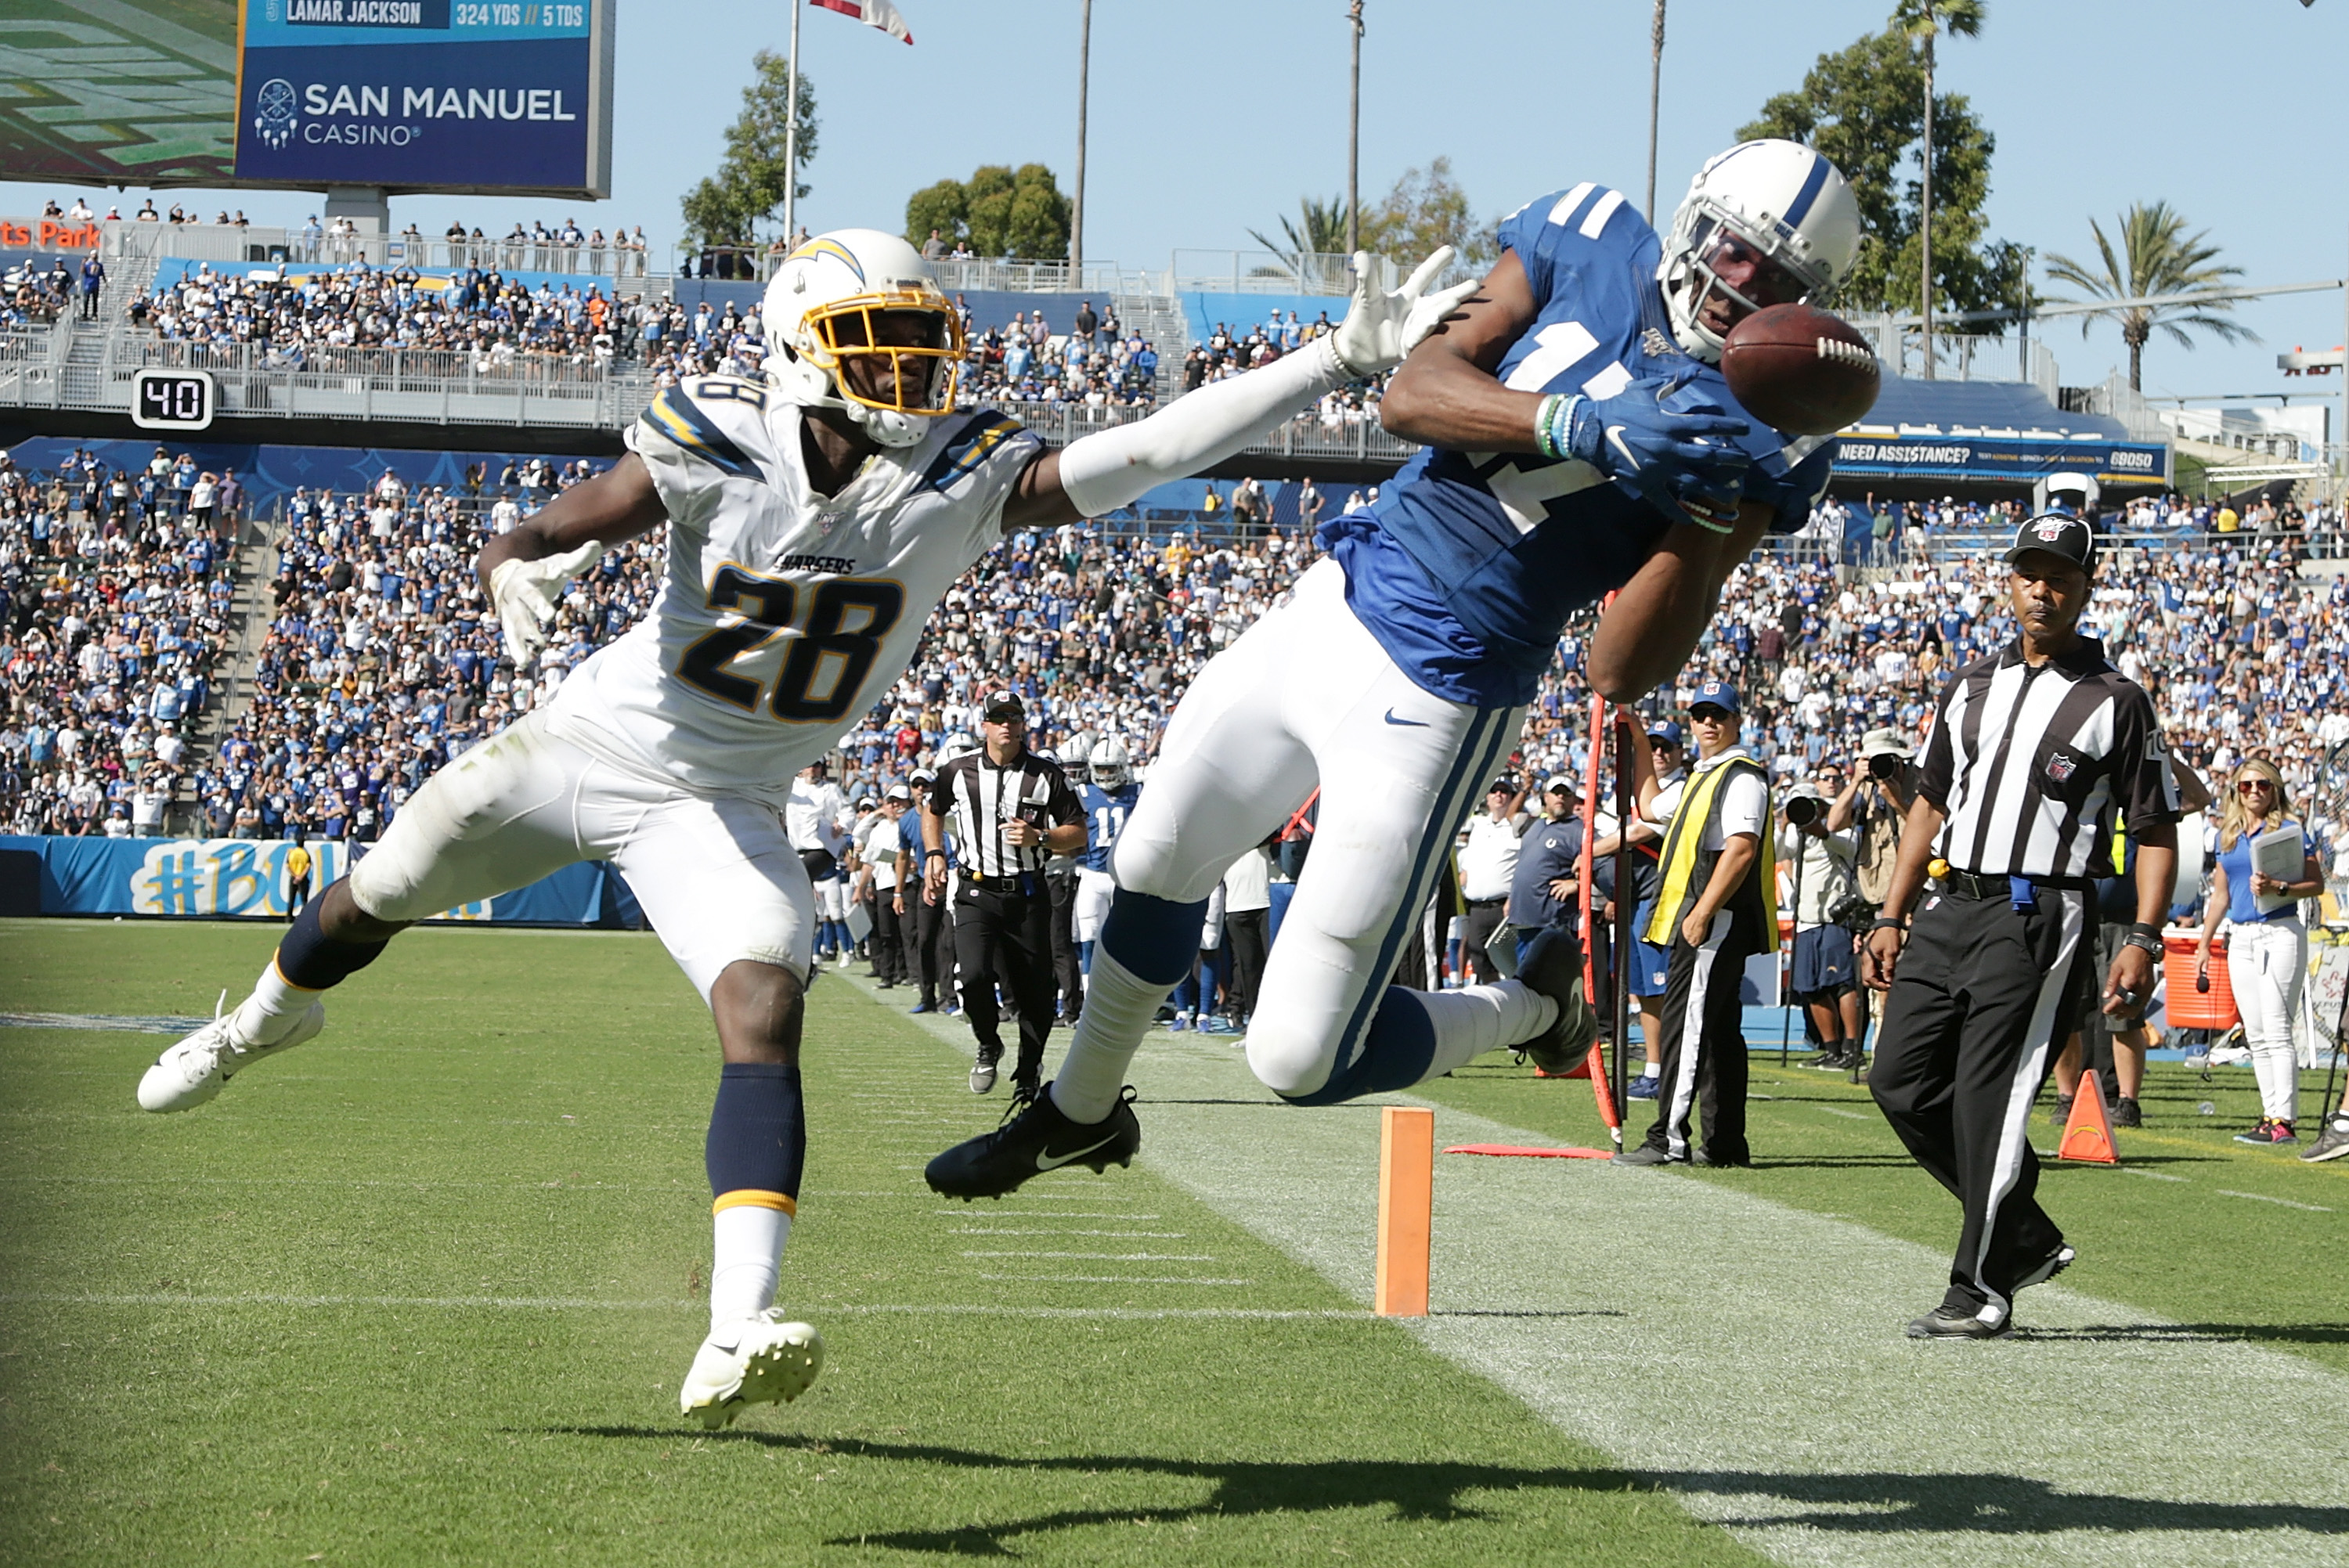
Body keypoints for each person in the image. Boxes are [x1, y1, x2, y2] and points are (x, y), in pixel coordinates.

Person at [132, 225, 1463, 1429]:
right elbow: (550, 522)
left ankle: (738, 1318)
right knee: (380, 885)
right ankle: (261, 1017)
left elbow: (1148, 453)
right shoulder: (719, 432)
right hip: (592, 744)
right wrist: (512, 567)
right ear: (795, 351)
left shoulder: (960, 470)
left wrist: (1332, 359)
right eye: (873, 346)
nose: (906, 373)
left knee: (766, 1002)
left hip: (728, 801)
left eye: (918, 345)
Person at [928, 140, 1864, 1199]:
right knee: (1152, 853)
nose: (1739, 286)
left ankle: (1536, 1007)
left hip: (1446, 690)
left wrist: (1701, 512)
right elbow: (1413, 393)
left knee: (1298, 1055)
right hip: (1342, 598)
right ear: (1697, 218)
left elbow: (1617, 668)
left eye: (1773, 278)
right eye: (1734, 252)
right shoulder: (1595, 233)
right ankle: (1080, 1111)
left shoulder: (1771, 429)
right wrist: (1582, 426)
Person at [1863, 513, 2181, 1339]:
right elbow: (1928, 802)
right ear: (2009, 582)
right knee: (1896, 1080)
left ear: (2085, 587)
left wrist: (2145, 938)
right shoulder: (1967, 684)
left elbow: (2153, 829)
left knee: (1990, 1097)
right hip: (1945, 903)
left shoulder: (2117, 700)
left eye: (2061, 576)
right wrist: (1891, 912)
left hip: (2040, 912)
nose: (2044, 589)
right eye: (2030, 573)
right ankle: (2025, 1231)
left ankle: (1981, 1288)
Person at [1615, 680, 1772, 1166]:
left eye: (1718, 715)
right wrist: (1640, 739)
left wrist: (1703, 911)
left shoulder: (1740, 776)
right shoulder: (1700, 777)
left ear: (1735, 721)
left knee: (1688, 1026)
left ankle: (1668, 1139)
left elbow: (1741, 848)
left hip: (1711, 917)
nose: (1708, 723)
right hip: (1699, 916)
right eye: (1701, 715)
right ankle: (1724, 1143)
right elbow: (1647, 805)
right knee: (1721, 1030)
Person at [923, 692, 1085, 1099]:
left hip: (1028, 893)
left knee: (1035, 990)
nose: (1006, 725)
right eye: (998, 718)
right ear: (985, 725)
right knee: (974, 975)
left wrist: (1041, 836)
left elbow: (1078, 834)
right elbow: (933, 809)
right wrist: (934, 853)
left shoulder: (1046, 775)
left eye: (1013, 717)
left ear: (1022, 724)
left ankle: (1029, 1069)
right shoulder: (956, 771)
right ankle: (988, 1042)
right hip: (975, 890)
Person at [2198, 755, 2326, 1147]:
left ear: (2275, 790)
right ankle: (2271, 1114)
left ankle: (2284, 1118)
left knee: (2276, 1026)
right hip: (2242, 935)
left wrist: (2279, 888)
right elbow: (2221, 894)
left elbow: (2316, 882)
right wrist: (2205, 941)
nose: (2254, 792)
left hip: (2279, 930)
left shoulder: (2289, 831)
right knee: (2255, 1031)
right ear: (2236, 790)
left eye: (2262, 785)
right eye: (2246, 785)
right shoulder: (2229, 834)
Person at [1781, 768, 1864, 1071]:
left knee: (1841, 983)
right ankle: (1830, 1049)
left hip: (1833, 917)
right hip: (1805, 919)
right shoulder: (1793, 833)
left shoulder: (1842, 829)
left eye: (1811, 805)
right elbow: (1778, 851)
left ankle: (1852, 1048)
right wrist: (1783, 823)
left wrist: (1820, 829)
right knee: (1810, 987)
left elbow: (1847, 848)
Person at [1457, 778, 1531, 984]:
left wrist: (1525, 789)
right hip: (1476, 908)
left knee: (1509, 963)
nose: (1499, 795)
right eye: (1494, 791)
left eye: (1504, 792)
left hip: (1504, 907)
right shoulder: (1479, 827)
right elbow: (1467, 871)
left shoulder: (1519, 826)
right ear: (1487, 798)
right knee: (1481, 964)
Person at [1505, 776, 1583, 966]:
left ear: (1574, 799)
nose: (1561, 797)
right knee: (1523, 981)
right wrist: (1525, 789)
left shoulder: (1581, 830)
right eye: (1556, 793)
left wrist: (1577, 883)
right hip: (1524, 917)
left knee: (1548, 980)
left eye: (1566, 794)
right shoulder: (1533, 824)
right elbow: (1511, 816)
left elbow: (1598, 865)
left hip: (1553, 920)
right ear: (1546, 797)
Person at [900, 769, 957, 1015]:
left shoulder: (949, 815)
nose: (921, 789)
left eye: (926, 784)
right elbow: (902, 856)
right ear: (911, 789)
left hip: (952, 879)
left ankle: (949, 996)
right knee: (924, 940)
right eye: (917, 785)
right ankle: (927, 996)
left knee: (949, 942)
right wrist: (898, 891)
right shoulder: (906, 820)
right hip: (927, 882)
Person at [787, 760, 853, 968]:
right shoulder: (792, 787)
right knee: (793, 886)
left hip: (822, 847)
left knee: (800, 878)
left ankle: (812, 926)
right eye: (808, 765)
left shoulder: (830, 789)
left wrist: (841, 825)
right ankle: (807, 927)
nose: (812, 770)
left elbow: (847, 811)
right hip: (795, 848)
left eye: (816, 766)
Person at [858, 786, 911, 987]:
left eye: (899, 802)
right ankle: (888, 975)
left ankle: (907, 973)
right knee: (886, 933)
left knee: (907, 934)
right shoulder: (879, 827)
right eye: (891, 802)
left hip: (906, 884)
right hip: (883, 884)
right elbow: (868, 857)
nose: (894, 806)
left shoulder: (909, 823)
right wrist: (862, 887)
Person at [283, 831, 313, 921]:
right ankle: (304, 917)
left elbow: (288, 866)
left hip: (294, 877)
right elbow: (308, 866)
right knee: (304, 899)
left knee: (291, 897)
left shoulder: (292, 853)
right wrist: (301, 876)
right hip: (303, 878)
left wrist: (295, 876)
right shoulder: (305, 854)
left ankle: (289, 916)